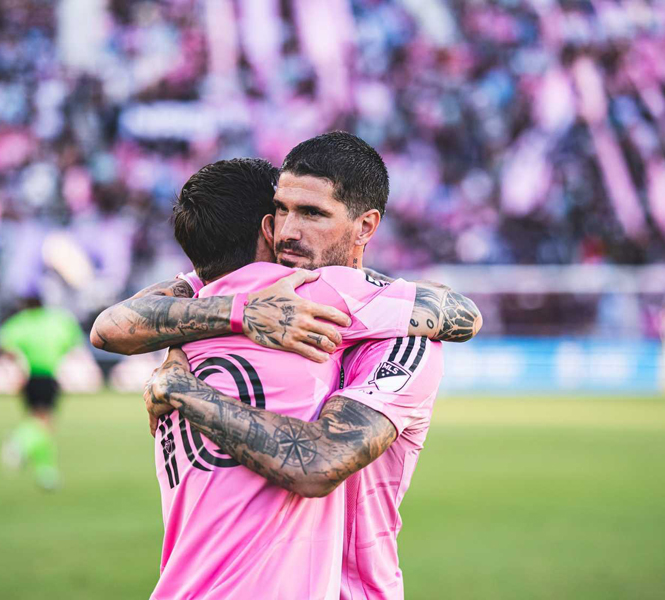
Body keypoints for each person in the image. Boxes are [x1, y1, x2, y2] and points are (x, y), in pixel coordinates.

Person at [92, 153, 478, 599]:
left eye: (312, 213)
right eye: (283, 210)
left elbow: (463, 314)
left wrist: (180, 389)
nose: (291, 230)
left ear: (366, 226)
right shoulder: (223, 299)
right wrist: (243, 312)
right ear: (265, 226)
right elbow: (109, 326)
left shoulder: (193, 316)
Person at [0, 295, 84, 490]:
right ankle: (19, 442)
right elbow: (74, 343)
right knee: (44, 423)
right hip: (47, 375)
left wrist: (19, 364)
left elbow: (5, 344)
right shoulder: (57, 321)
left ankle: (45, 472)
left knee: (40, 422)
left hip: (28, 377)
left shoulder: (20, 323)